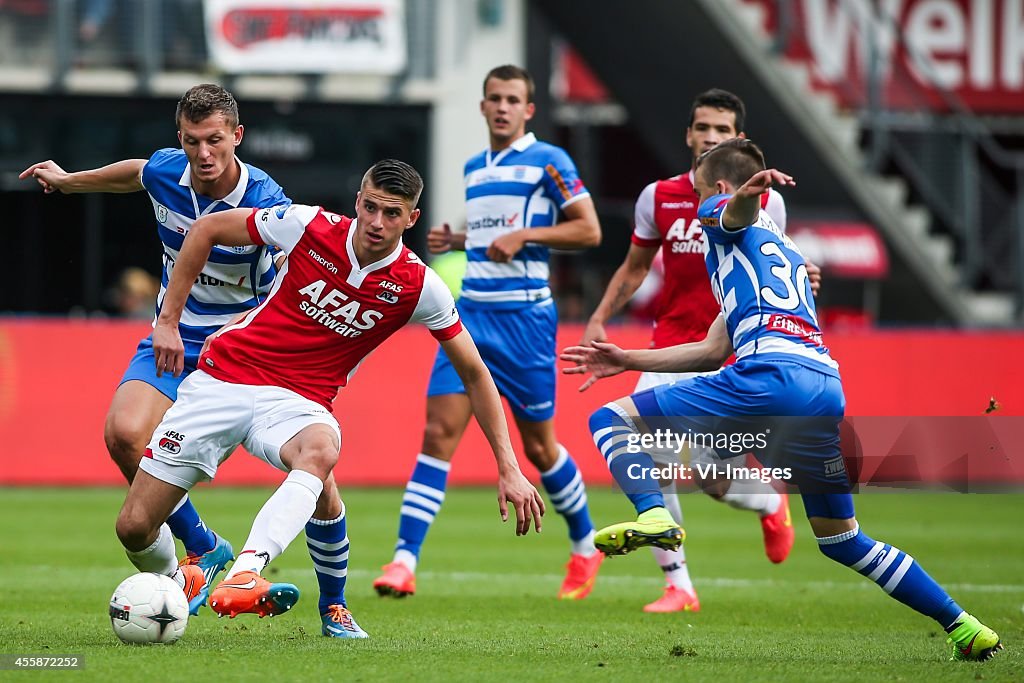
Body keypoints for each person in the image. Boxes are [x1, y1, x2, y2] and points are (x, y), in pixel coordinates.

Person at [561, 138, 1002, 662]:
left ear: (719, 188)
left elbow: (729, 215)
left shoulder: (722, 213)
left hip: (770, 373)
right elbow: (711, 351)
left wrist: (745, 194)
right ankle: (963, 624)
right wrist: (628, 360)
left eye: (701, 189)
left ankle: (654, 513)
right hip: (823, 386)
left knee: (610, 420)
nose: (694, 199)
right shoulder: (782, 253)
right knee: (843, 540)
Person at [114, 159, 546, 639]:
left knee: (320, 452)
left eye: (392, 213)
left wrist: (508, 465)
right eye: (371, 207)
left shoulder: (419, 285)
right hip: (224, 380)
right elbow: (210, 227)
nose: (377, 223)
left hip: (298, 401)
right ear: (358, 201)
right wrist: (167, 320)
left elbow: (474, 372)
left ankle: (250, 575)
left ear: (412, 219)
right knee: (134, 526)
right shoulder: (307, 225)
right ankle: (179, 577)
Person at [19, 84, 288, 614]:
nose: (203, 155)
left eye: (214, 141)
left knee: (313, 465)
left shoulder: (266, 201)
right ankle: (203, 550)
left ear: (237, 136)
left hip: (242, 350)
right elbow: (137, 171)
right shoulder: (170, 171)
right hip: (174, 336)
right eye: (192, 141)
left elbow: (296, 267)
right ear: (180, 138)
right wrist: (70, 182)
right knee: (123, 434)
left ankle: (333, 605)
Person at [373, 64, 604, 601]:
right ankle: (404, 561)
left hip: (525, 322)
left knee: (540, 449)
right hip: (473, 315)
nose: (502, 107)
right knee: (437, 434)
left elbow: (589, 229)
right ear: (482, 107)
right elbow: (494, 237)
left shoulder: (551, 160)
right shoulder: (476, 167)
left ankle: (584, 544)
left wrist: (526, 235)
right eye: (494, 98)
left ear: (529, 109)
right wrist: (460, 240)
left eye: (512, 99)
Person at [580, 88, 802, 613]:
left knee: (712, 478)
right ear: (688, 134)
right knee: (643, 451)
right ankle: (679, 584)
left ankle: (770, 501)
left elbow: (771, 264)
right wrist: (599, 317)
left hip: (730, 349)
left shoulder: (766, 200)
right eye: (703, 128)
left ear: (738, 140)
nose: (710, 137)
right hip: (671, 345)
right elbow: (635, 268)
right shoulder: (657, 196)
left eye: (721, 131)